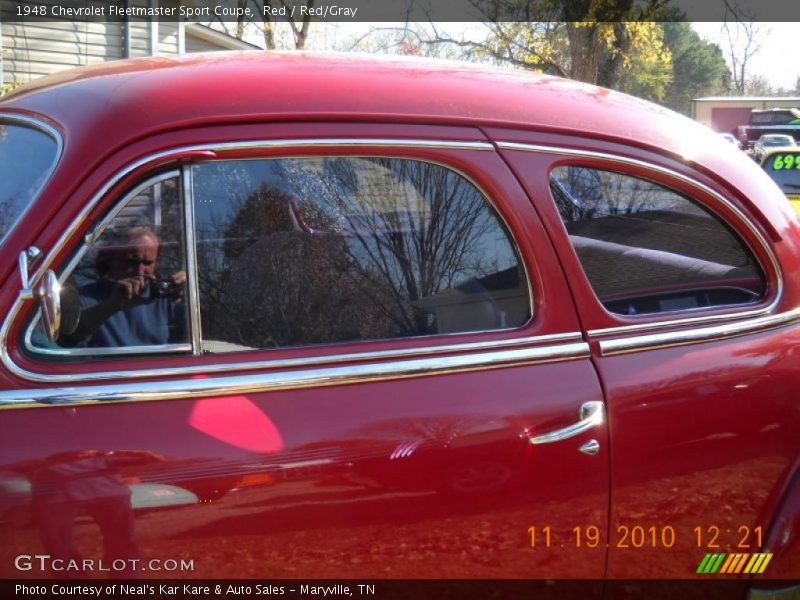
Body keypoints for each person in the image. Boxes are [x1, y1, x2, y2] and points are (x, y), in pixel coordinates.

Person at [60, 225, 188, 348]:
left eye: (147, 263)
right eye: (131, 261)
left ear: (156, 263)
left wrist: (191, 295)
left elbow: (200, 339)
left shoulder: (165, 298)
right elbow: (67, 340)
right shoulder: (85, 298)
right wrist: (111, 305)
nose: (140, 270)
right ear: (111, 259)